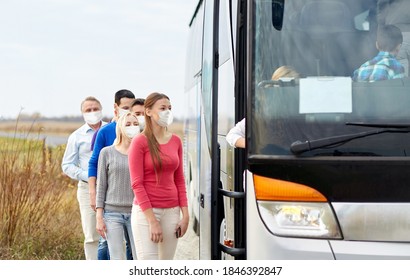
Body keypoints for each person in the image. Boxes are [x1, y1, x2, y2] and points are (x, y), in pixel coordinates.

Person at [128, 92, 189, 260]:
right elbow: (137, 184)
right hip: (146, 213)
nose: (167, 112)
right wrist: (152, 221)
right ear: (148, 112)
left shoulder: (176, 141)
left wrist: (186, 215)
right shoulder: (139, 142)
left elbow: (180, 180)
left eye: (169, 108)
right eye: (162, 108)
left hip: (172, 211)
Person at [88, 89, 140, 260]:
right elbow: (98, 173)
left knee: (138, 254)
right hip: (112, 212)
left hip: (136, 210)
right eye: (126, 108)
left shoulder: (142, 149)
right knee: (113, 253)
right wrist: (98, 210)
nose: (131, 126)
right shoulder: (106, 147)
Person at [61, 96, 106, 260]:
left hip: (112, 188)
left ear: (101, 109)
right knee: (92, 236)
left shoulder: (112, 130)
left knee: (116, 233)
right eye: (88, 110)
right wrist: (90, 175)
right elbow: (67, 165)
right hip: (88, 189)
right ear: (82, 113)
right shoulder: (76, 136)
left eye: (95, 109)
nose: (93, 112)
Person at [226, 66, 300, 148]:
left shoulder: (303, 110)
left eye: (295, 86)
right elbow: (232, 135)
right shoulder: (264, 112)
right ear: (276, 88)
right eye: (287, 87)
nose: (292, 91)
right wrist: (255, 146)